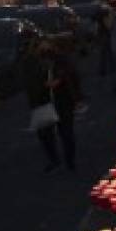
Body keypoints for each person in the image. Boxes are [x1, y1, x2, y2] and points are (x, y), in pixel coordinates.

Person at [24, 36, 80, 172]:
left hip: (62, 100)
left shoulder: (60, 58)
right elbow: (29, 81)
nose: (43, 48)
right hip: (43, 101)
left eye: (45, 45)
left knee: (66, 132)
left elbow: (69, 72)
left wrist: (59, 79)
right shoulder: (31, 61)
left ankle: (69, 161)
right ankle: (55, 160)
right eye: (39, 46)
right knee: (45, 134)